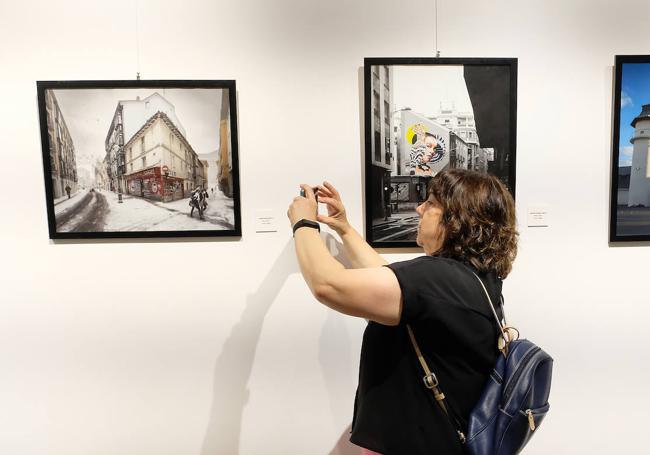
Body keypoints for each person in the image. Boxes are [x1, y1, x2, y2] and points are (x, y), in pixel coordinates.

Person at [287, 169, 518, 455]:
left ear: (456, 219)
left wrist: (304, 223)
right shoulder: (474, 278)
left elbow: (328, 286)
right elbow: (391, 281)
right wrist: (344, 228)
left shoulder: (437, 278)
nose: (420, 208)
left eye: (432, 203)